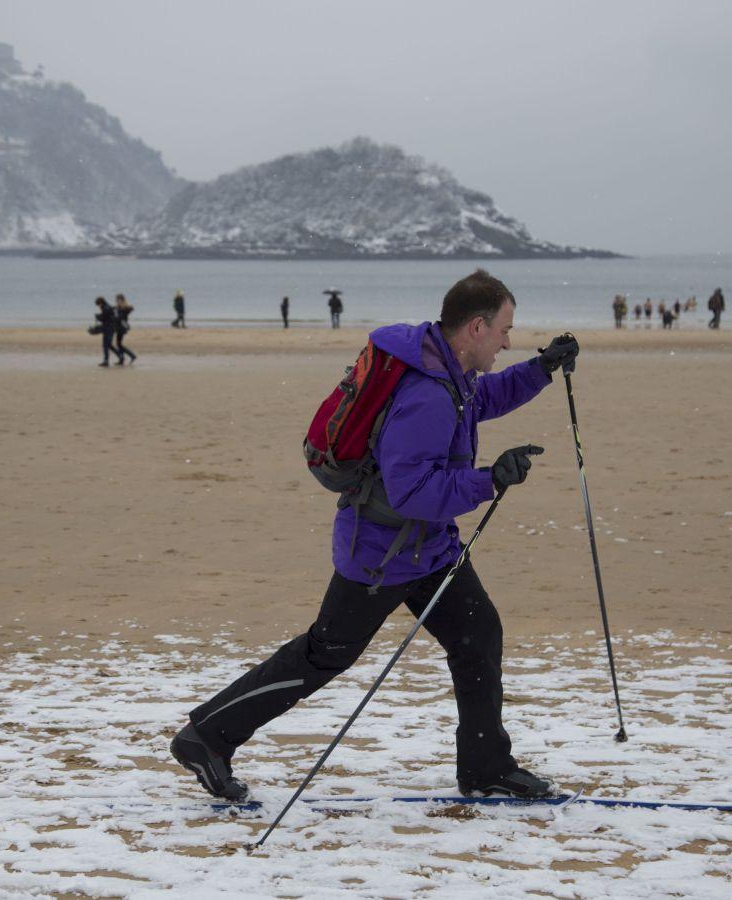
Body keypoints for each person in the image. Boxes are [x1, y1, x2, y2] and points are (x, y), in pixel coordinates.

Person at [170, 269, 580, 802]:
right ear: (476, 327)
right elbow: (412, 492)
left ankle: (485, 768)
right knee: (323, 655)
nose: (507, 342)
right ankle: (205, 737)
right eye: (504, 330)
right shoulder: (427, 394)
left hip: (429, 549)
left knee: (478, 635)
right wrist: (488, 480)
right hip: (381, 555)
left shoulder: (447, 369)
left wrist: (541, 369)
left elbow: (480, 400)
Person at [113, 294, 137, 364]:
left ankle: (131, 356)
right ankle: (122, 359)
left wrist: (117, 312)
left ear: (122, 300)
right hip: (118, 327)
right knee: (119, 343)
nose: (117, 302)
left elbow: (121, 317)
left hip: (122, 327)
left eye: (118, 300)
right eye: (116, 300)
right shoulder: (118, 308)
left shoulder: (124, 308)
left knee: (119, 344)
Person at [93, 297, 116, 367]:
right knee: (108, 345)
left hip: (108, 328)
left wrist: (98, 317)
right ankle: (119, 356)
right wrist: (99, 316)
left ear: (101, 303)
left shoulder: (106, 308)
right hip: (110, 328)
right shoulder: (107, 307)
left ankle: (106, 361)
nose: (98, 306)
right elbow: (107, 317)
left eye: (98, 305)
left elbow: (104, 319)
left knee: (106, 345)